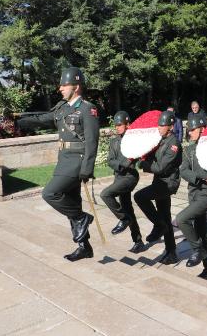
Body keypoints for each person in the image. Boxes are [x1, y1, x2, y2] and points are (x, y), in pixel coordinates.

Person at [16, 67, 99, 261]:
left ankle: (81, 218)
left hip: (77, 161)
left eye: (64, 84)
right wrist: (20, 122)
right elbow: (43, 119)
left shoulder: (88, 109)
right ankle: (84, 246)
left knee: (50, 193)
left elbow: (92, 141)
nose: (60, 88)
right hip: (64, 159)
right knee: (72, 200)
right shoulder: (63, 107)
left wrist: (87, 168)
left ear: (76, 87)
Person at [134, 111, 182, 265]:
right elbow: (152, 157)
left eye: (163, 125)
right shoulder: (161, 141)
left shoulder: (174, 144)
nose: (159, 128)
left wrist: (145, 165)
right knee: (165, 216)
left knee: (139, 197)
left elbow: (161, 167)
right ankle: (171, 251)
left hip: (168, 183)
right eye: (159, 125)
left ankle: (158, 225)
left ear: (170, 126)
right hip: (159, 182)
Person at [175, 116, 207, 279]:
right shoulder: (188, 150)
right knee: (201, 230)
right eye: (189, 130)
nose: (190, 132)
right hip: (193, 194)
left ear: (203, 129)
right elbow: (182, 170)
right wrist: (198, 177)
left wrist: (196, 176)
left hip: (206, 195)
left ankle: (198, 249)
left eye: (193, 129)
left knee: (181, 219)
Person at [100, 111, 144, 253]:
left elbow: (136, 159)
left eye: (120, 125)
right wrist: (123, 164)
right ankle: (138, 241)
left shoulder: (135, 140)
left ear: (128, 125)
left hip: (130, 177)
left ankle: (123, 219)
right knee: (127, 207)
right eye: (116, 125)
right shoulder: (114, 141)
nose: (117, 127)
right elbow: (110, 160)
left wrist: (127, 163)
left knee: (105, 194)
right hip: (119, 176)